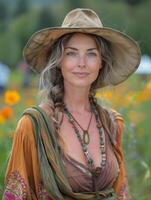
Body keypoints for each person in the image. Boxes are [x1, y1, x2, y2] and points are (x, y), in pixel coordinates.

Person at [3, 8, 141, 200]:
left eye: (91, 54)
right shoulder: (33, 125)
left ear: (101, 62)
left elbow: (121, 193)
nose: (82, 63)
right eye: (72, 53)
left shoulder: (112, 123)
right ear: (59, 60)